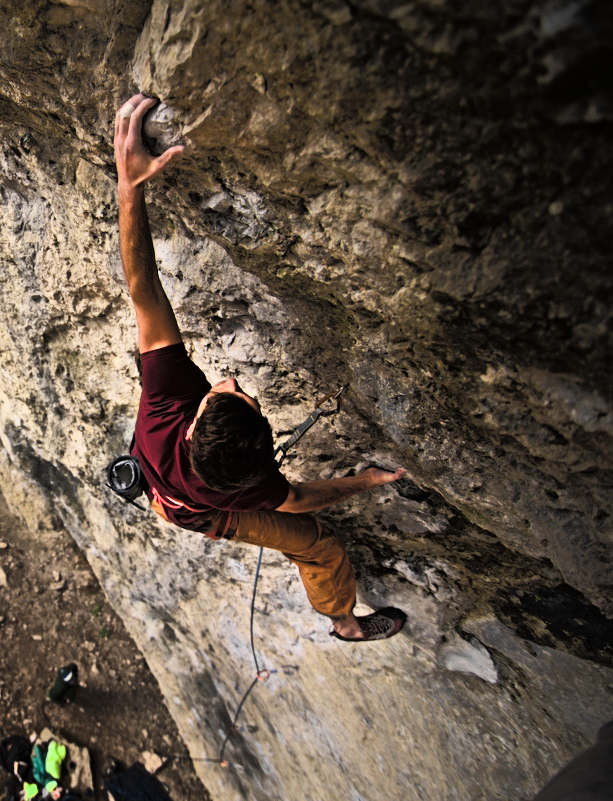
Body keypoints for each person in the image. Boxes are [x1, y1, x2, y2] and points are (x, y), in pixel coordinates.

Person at [114, 93, 407, 642]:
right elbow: (295, 500)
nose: (227, 380)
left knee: (303, 531)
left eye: (225, 394)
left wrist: (129, 189)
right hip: (201, 511)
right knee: (317, 543)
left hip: (170, 496)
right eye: (234, 392)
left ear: (194, 426)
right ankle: (345, 624)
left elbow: (143, 289)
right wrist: (365, 480)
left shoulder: (163, 407)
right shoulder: (254, 491)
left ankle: (343, 623)